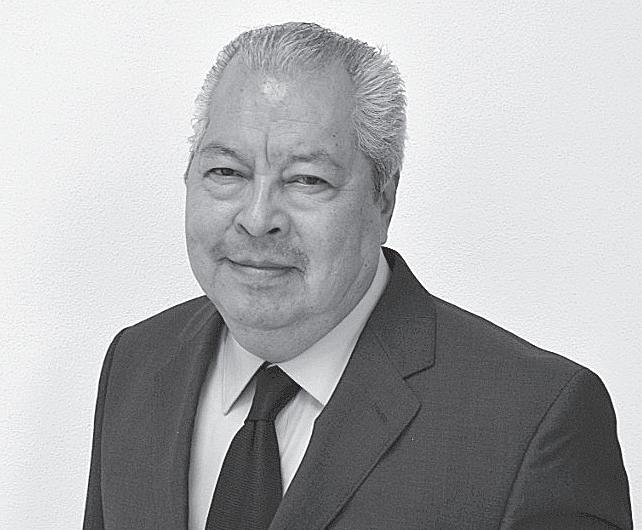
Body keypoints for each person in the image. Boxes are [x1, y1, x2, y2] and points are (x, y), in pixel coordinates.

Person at [83, 22, 632, 530]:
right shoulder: (138, 364)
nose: (257, 217)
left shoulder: (534, 422)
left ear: (383, 200)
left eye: (306, 180)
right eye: (226, 171)